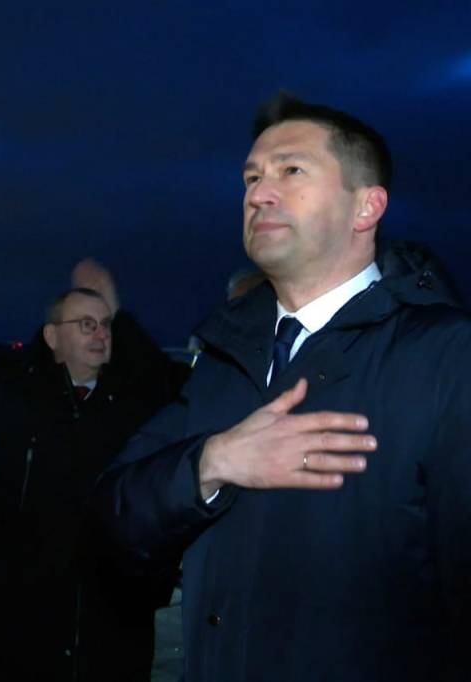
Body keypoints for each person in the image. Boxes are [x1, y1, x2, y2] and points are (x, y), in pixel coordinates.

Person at [93, 93, 471, 681]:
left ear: (366, 207)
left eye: (291, 170)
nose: (258, 194)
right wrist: (212, 462)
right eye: (251, 178)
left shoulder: (447, 356)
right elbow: (112, 516)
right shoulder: (224, 360)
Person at [0, 259, 187, 681]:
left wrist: (151, 582)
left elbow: (162, 498)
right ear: (53, 336)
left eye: (106, 325)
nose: (101, 334)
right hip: (25, 632)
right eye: (86, 324)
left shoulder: (134, 411)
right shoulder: (8, 405)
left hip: (116, 628)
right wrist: (1, 583)